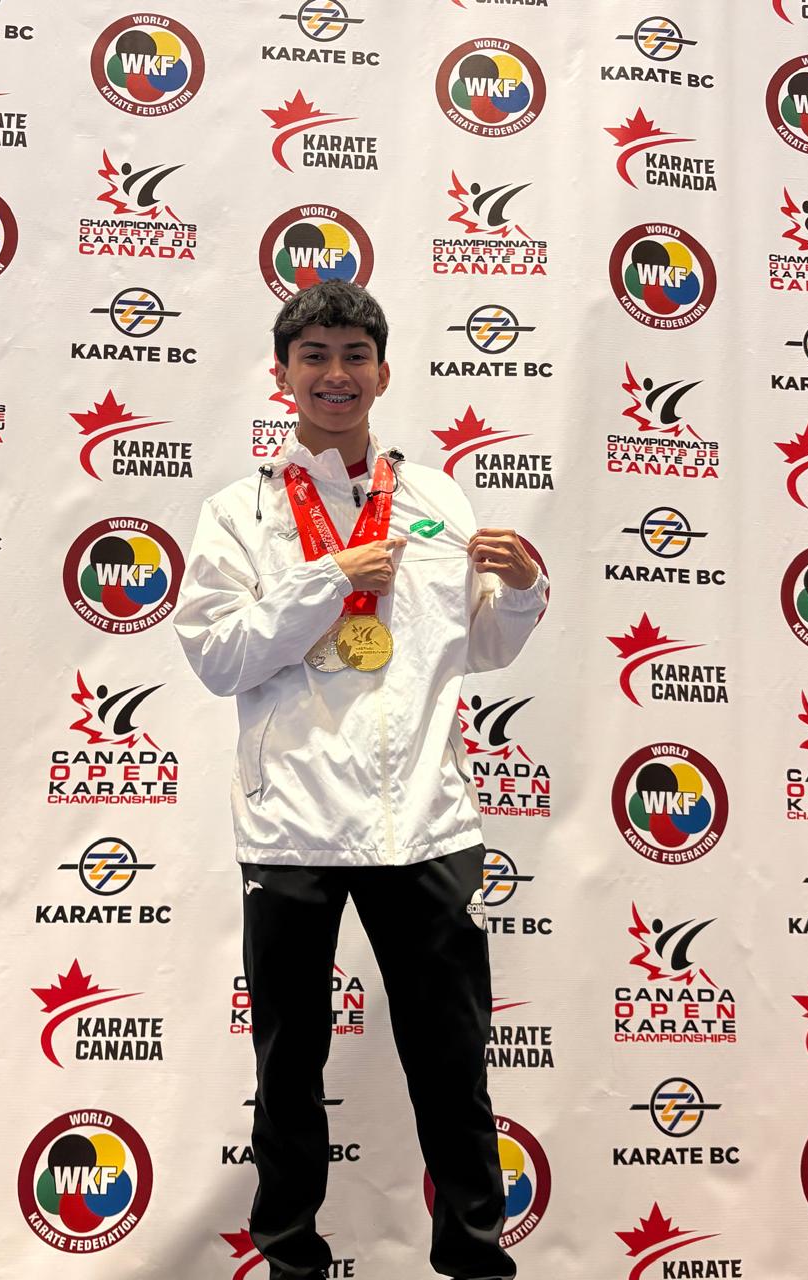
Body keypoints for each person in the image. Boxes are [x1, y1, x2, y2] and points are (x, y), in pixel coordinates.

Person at [173, 280, 547, 1280]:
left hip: (425, 822)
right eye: (316, 356)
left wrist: (522, 591)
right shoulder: (240, 511)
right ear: (282, 374)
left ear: (383, 374)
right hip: (292, 827)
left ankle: (476, 1261)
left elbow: (477, 647)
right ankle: (291, 1260)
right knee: (287, 1066)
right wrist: (326, 579)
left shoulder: (437, 498)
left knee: (454, 1064)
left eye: (354, 356)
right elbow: (218, 657)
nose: (335, 375)